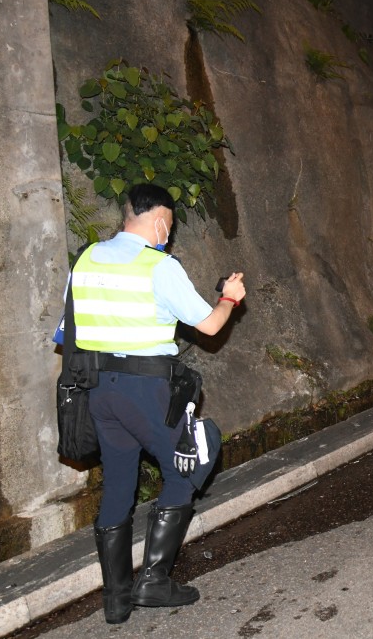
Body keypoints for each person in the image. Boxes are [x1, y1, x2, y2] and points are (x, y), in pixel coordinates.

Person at [66, 184, 246, 624]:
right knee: (190, 463)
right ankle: (153, 580)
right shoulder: (157, 266)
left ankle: (116, 599)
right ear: (161, 220)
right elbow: (208, 326)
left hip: (98, 390)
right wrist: (229, 299)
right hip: (146, 391)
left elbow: (68, 326)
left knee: (119, 486)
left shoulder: (86, 259)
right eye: (170, 223)